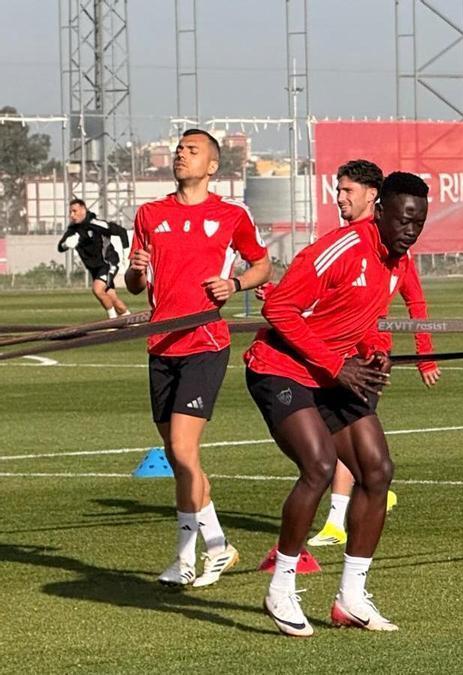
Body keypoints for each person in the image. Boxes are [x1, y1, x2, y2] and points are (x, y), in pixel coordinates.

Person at [246, 171, 430, 637]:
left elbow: (365, 319)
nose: (411, 230)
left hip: (335, 374)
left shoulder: (400, 263)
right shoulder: (344, 248)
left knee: (377, 470)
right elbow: (279, 308)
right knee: (319, 467)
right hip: (280, 367)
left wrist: (376, 354)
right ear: (382, 210)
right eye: (405, 219)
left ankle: (350, 597)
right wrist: (335, 363)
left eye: (420, 222)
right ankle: (281, 588)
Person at [125, 128, 272, 588]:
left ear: (212, 166)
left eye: (192, 150)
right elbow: (133, 283)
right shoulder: (150, 214)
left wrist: (237, 284)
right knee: (178, 457)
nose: (180, 155)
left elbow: (263, 264)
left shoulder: (231, 216)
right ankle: (199, 554)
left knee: (185, 452)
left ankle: (208, 549)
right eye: (178, 149)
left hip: (205, 343)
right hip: (160, 344)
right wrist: (134, 271)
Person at [306, 159, 440, 548]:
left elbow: (416, 303)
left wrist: (424, 357)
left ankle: (336, 520)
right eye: (339, 189)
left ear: (372, 197)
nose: (340, 197)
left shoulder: (396, 253)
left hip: (364, 362)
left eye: (348, 190)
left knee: (342, 442)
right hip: (329, 360)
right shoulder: (342, 243)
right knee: (344, 448)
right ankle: (368, 493)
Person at [57, 198, 132, 318]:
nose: (72, 215)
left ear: (83, 209)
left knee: (97, 290)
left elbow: (122, 232)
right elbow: (60, 247)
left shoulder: (96, 224)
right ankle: (133, 321)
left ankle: (112, 322)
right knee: (113, 299)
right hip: (95, 269)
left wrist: (126, 256)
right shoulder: (72, 230)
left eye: (74, 211)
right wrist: (66, 244)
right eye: (70, 212)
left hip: (108, 263)